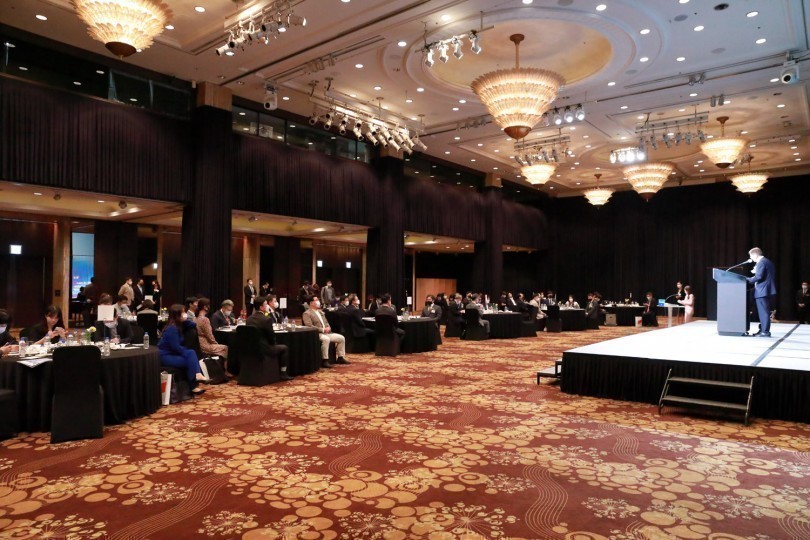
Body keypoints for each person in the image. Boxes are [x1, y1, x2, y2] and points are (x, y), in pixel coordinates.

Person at [158, 304, 207, 395]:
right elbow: (176, 347)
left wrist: (184, 320)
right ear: (177, 315)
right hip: (165, 356)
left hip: (172, 353)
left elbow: (193, 324)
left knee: (191, 353)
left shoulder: (179, 325)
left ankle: (196, 378)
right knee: (190, 357)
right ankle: (194, 383)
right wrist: (186, 353)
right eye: (183, 312)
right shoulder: (172, 329)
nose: (185, 314)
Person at [247, 296, 293, 381]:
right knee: (284, 348)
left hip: (251, 347)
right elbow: (271, 337)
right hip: (264, 348)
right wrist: (273, 344)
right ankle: (283, 373)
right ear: (261, 307)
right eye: (265, 304)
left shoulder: (249, 319)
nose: (267, 306)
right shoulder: (266, 319)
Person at [302, 295, 348, 368]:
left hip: (327, 332)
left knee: (341, 338)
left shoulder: (320, 312)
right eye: (316, 300)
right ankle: (325, 360)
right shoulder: (307, 313)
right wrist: (322, 329)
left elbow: (326, 322)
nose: (318, 301)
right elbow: (309, 326)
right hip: (317, 333)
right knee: (326, 339)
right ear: (311, 303)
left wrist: (328, 327)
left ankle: (340, 357)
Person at [746, 247, 777, 337]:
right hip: (766, 289)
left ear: (755, 254)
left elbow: (759, 276)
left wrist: (747, 279)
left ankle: (765, 332)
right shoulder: (767, 261)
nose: (751, 258)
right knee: (764, 311)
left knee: (764, 312)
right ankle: (762, 330)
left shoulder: (761, 262)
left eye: (751, 256)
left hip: (762, 290)